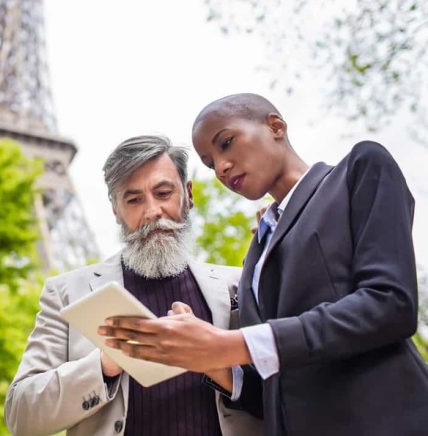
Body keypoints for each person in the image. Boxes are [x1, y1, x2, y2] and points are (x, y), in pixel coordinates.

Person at [98, 94, 428, 436]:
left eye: (226, 143)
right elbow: (275, 391)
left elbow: (391, 304)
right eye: (210, 163)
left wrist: (231, 344)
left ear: (275, 126)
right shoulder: (256, 252)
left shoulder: (358, 168)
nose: (222, 168)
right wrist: (211, 361)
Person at [4, 135, 262, 436]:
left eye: (163, 193)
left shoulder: (241, 283)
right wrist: (104, 364)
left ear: (188, 195)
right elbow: (20, 415)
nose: (152, 211)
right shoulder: (65, 293)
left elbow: (286, 394)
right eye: (134, 199)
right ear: (115, 210)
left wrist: (212, 357)